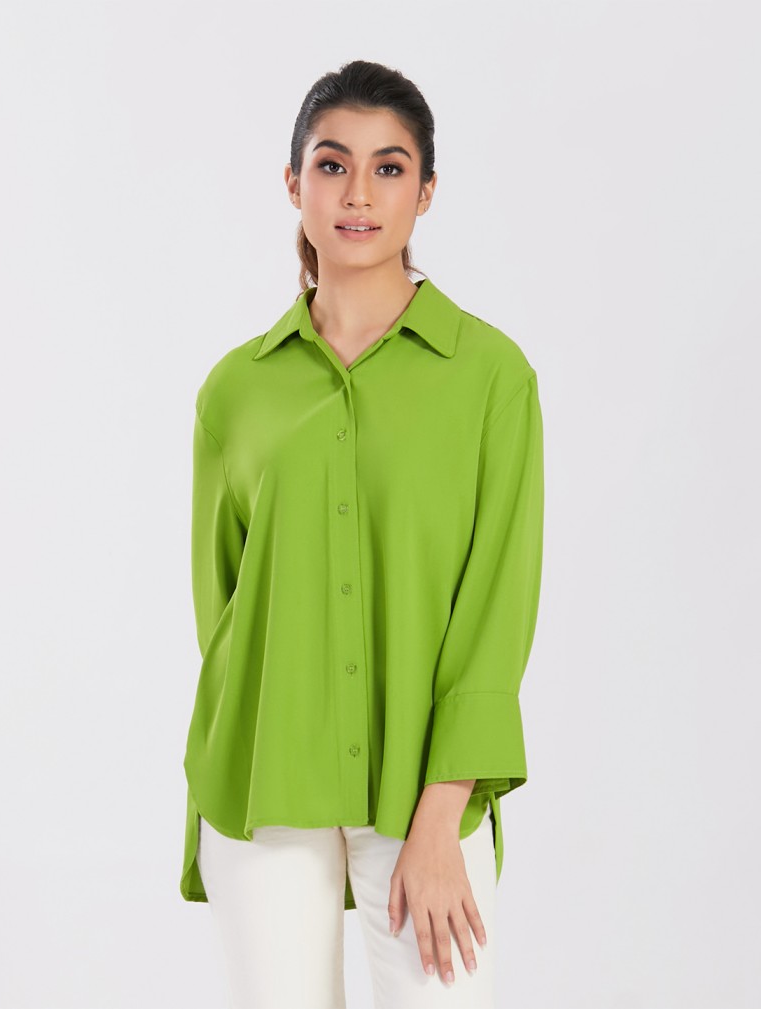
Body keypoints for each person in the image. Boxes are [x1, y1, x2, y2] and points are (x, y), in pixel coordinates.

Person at [179, 59, 545, 1009]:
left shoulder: (490, 378)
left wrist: (442, 812)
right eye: (332, 164)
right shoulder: (236, 390)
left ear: (425, 193)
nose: (357, 193)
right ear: (293, 182)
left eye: (389, 168)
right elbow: (224, 604)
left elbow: (496, 605)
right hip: (266, 778)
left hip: (423, 783)